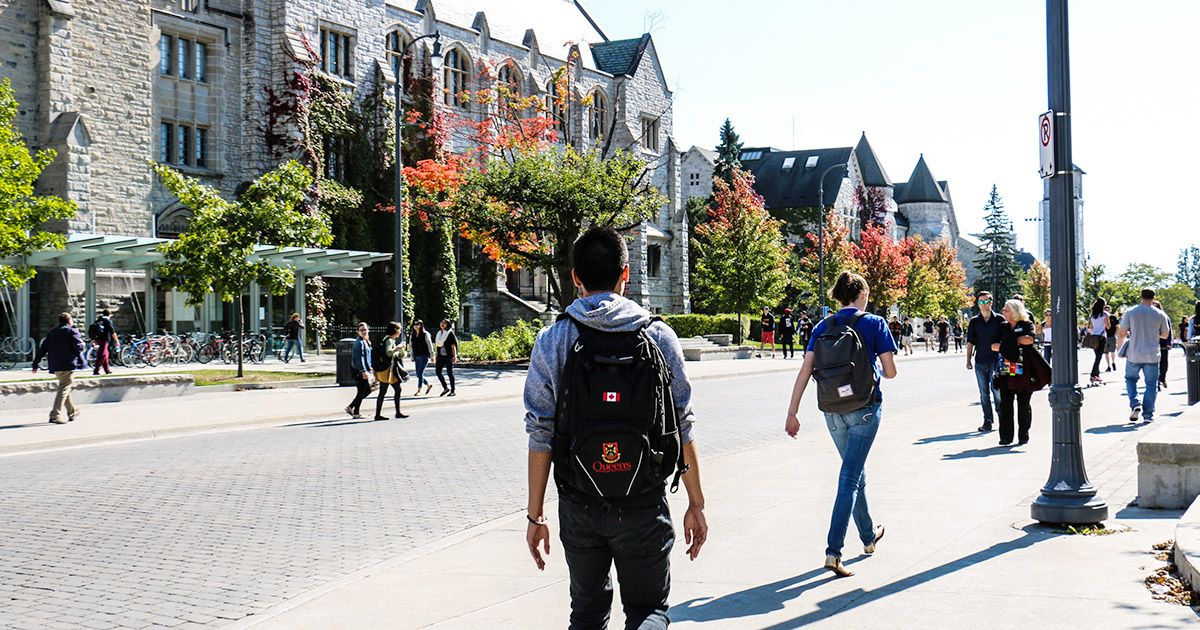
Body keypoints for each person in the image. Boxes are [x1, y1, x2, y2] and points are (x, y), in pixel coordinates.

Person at [523, 227, 708, 627]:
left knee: (587, 613)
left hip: (579, 501)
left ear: (575, 277)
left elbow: (540, 433)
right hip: (643, 502)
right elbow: (683, 423)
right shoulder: (658, 336)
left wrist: (535, 516)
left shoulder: (553, 340)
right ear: (626, 274)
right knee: (649, 611)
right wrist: (696, 503)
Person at [785, 271, 896, 578]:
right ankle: (834, 552)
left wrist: (792, 412)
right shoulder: (875, 323)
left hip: (832, 411)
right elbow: (890, 372)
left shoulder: (822, 326)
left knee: (855, 473)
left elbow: (806, 370)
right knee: (849, 477)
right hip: (864, 409)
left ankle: (868, 536)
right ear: (861, 293)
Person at [1117, 289, 1171, 423]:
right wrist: (1152, 333)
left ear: (1141, 296)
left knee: (1130, 379)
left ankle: (1135, 403)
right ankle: (1148, 415)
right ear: (1154, 297)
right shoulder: (1160, 314)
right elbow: (1165, 335)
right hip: (1152, 354)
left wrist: (1119, 348)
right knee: (1151, 385)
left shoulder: (1131, 312)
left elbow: (1122, 332)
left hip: (1134, 353)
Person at [992, 300, 1037, 446]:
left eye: (1006, 310)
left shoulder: (1026, 324)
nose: (1003, 312)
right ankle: (1005, 437)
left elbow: (1029, 339)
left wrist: (1010, 342)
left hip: (1024, 370)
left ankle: (1023, 435)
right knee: (1006, 405)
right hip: (1006, 370)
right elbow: (993, 346)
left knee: (1024, 405)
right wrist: (1015, 343)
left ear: (1014, 311)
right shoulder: (1002, 327)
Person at [32, 312, 87, 424]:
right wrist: (82, 345)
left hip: (55, 365)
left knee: (64, 388)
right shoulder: (72, 331)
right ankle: (55, 415)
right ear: (69, 321)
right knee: (64, 389)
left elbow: (43, 349)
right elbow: (78, 347)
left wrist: (35, 363)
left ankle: (72, 411)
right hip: (68, 365)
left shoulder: (52, 333)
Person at [966, 292, 1004, 432]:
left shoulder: (999, 320)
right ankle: (987, 421)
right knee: (983, 393)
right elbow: (970, 342)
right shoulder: (974, 322)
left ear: (991, 302)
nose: (984, 304)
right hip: (980, 361)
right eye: (981, 302)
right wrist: (968, 360)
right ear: (978, 304)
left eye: (986, 301)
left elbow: (1005, 340)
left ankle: (1002, 419)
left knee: (997, 392)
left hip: (995, 361)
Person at [372, 321, 409, 420]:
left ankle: (397, 412)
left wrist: (400, 351)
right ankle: (378, 415)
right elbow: (389, 353)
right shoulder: (389, 340)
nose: (400, 332)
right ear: (395, 330)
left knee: (397, 389)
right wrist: (397, 348)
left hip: (390, 370)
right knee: (383, 391)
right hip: (386, 370)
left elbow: (394, 355)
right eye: (399, 330)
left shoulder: (389, 340)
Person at [344, 322, 373, 419]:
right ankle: (355, 412)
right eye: (361, 330)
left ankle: (351, 407)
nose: (363, 331)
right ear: (358, 332)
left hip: (365, 369)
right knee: (362, 391)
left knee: (366, 390)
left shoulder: (365, 341)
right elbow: (359, 358)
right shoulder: (359, 343)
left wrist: (369, 367)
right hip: (359, 371)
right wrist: (363, 371)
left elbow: (367, 357)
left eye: (365, 329)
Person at [1086, 299, 1108, 385]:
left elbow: (1091, 327)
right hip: (1102, 337)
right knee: (1098, 357)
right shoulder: (1105, 314)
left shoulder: (1092, 315)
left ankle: (1096, 375)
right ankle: (1093, 375)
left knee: (1097, 356)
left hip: (1094, 337)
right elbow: (1108, 326)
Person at [88, 308, 116, 375]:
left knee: (105, 355)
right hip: (104, 340)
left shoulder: (99, 320)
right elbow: (112, 332)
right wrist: (116, 340)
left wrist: (92, 339)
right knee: (102, 355)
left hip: (97, 339)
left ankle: (107, 370)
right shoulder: (108, 321)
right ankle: (96, 370)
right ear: (110, 314)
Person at [409, 320, 434, 395]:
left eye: (417, 324)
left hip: (424, 355)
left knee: (420, 373)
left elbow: (430, 345)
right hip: (416, 355)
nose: (415, 326)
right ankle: (428, 385)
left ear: (421, 325)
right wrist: (412, 355)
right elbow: (410, 346)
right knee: (418, 374)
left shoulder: (425, 334)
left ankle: (419, 390)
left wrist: (432, 355)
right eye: (414, 324)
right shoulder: (412, 335)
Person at [434, 319, 458, 396]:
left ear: (448, 324)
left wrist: (454, 356)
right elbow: (437, 345)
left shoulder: (450, 333)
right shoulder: (439, 333)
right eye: (441, 323)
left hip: (448, 356)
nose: (442, 324)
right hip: (440, 356)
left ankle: (453, 391)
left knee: (450, 373)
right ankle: (445, 388)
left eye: (444, 323)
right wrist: (436, 355)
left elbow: (453, 345)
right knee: (438, 372)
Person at [1153, 301, 1171, 391]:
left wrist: (1169, 342)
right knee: (1154, 363)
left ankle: (1162, 378)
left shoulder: (1164, 316)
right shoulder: (1148, 317)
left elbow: (1169, 330)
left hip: (1163, 342)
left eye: (1156, 306)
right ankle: (1156, 382)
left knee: (1164, 363)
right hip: (1152, 343)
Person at [1105, 305, 1119, 371]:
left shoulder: (1113, 317)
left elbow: (1117, 327)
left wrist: (1115, 335)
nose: (1107, 310)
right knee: (1106, 352)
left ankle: (1113, 363)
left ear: (1110, 310)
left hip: (1112, 336)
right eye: (1105, 309)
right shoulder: (1103, 317)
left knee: (1112, 351)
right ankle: (1108, 366)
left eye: (1108, 309)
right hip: (1105, 336)